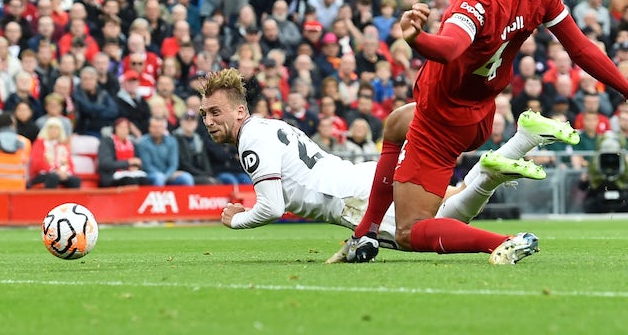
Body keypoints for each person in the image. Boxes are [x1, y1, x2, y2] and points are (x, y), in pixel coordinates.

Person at [344, 0, 628, 265]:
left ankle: (505, 240)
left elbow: (448, 49)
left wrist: (416, 37)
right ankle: (365, 233)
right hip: (479, 114)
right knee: (396, 123)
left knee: (409, 230)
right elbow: (581, 48)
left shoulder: (473, 4)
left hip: (442, 121)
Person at [199, 69, 572, 259]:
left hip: (349, 199)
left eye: (216, 111)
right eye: (204, 114)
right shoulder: (268, 125)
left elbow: (272, 206)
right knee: (450, 203)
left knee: (434, 228)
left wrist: (238, 220)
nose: (209, 120)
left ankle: (494, 180)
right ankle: (523, 139)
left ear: (240, 110)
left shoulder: (251, 137)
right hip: (356, 180)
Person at [136, 117, 194, 186]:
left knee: (187, 177)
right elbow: (147, 166)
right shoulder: (143, 143)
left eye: (160, 127)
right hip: (150, 174)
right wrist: (163, 176)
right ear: (149, 128)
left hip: (168, 174)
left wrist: (166, 176)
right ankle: (157, 197)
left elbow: (173, 164)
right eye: (154, 127)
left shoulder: (172, 141)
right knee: (159, 178)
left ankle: (184, 197)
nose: (157, 130)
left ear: (164, 128)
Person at [28, 117, 81, 189]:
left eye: (56, 128)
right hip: (42, 174)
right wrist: (54, 171)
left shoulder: (62, 145)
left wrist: (66, 173)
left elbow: (69, 163)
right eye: (51, 128)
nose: (53, 130)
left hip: (60, 173)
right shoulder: (39, 143)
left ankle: (70, 200)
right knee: (53, 177)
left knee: (75, 180)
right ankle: (49, 200)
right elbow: (37, 162)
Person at [97, 117, 150, 187]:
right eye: (120, 127)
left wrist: (136, 166)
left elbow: (138, 161)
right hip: (112, 175)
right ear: (115, 128)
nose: (123, 130)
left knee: (144, 180)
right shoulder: (107, 142)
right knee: (129, 181)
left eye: (126, 128)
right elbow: (105, 164)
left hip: (130, 173)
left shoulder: (132, 143)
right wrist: (128, 163)